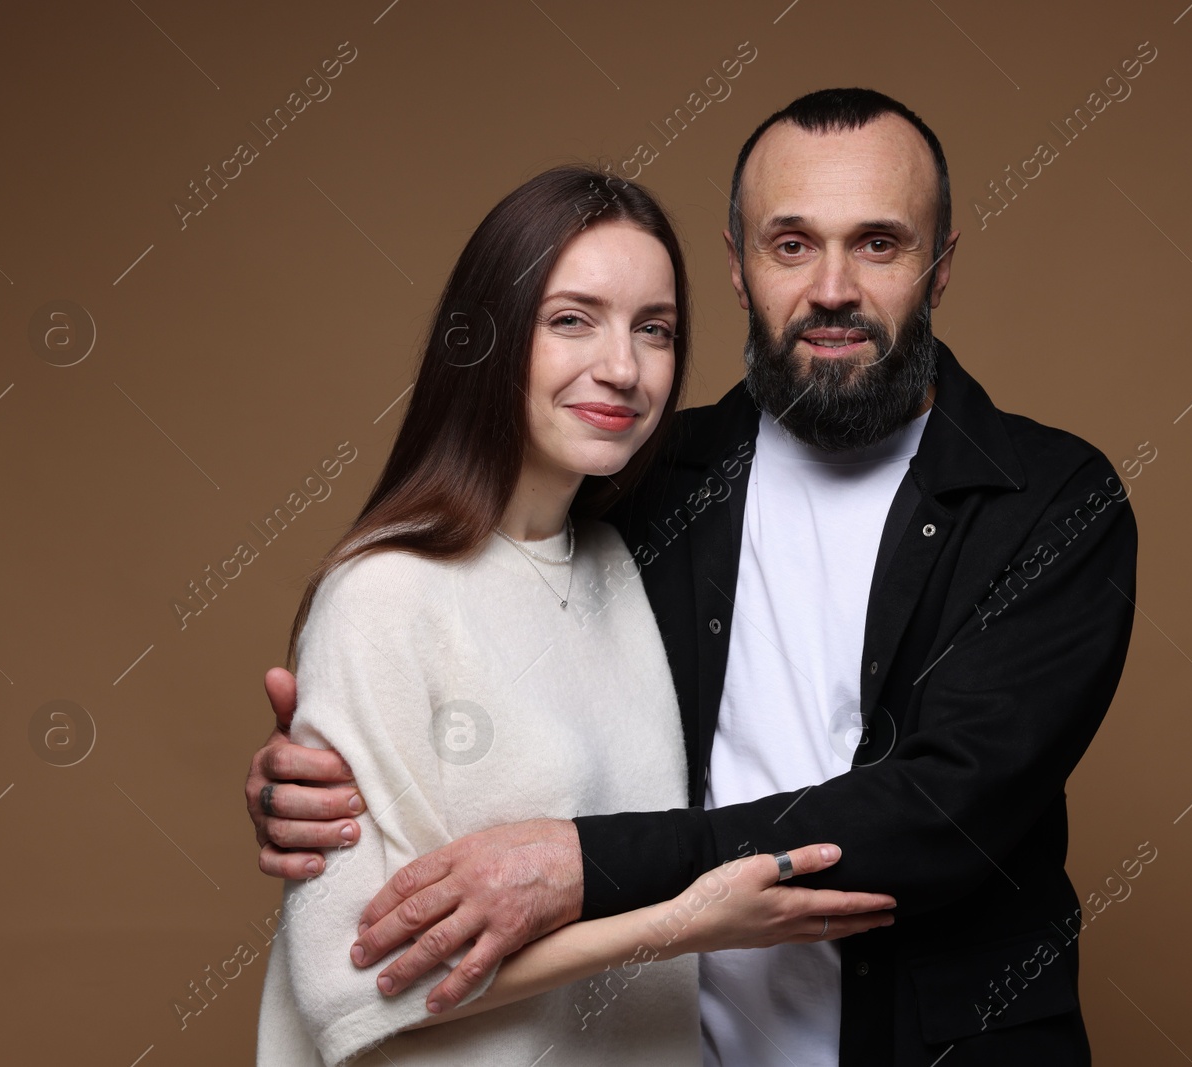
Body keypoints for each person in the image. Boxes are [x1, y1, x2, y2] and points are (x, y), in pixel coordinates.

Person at [249, 89, 1139, 1065]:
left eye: (878, 244)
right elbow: (484, 631)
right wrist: (338, 766)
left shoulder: (1050, 499)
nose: (832, 286)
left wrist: (583, 865)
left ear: (940, 265)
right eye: (791, 243)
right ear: (737, 264)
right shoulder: (641, 483)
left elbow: (945, 808)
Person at [253, 164, 896, 1067]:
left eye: (655, 330)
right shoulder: (387, 591)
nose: (623, 369)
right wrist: (685, 924)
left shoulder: (621, 563)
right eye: (571, 320)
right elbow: (349, 981)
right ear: (485, 337)